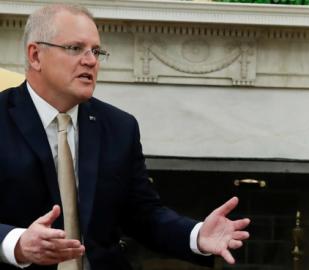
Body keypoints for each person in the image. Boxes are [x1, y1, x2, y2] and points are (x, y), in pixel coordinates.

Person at [0, 4, 250, 269]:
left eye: (96, 51)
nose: (91, 61)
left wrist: (196, 235)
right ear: (36, 55)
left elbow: (144, 215)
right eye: (75, 48)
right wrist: (16, 243)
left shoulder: (120, 127)